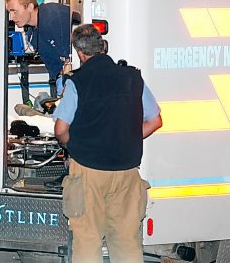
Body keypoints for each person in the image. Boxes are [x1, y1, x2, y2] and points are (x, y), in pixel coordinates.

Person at [52, 24, 162, 263]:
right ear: (102, 47)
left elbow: (61, 129)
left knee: (88, 241)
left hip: (89, 171)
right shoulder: (133, 77)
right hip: (127, 173)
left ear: (80, 54)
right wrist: (127, 137)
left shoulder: (77, 82)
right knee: (126, 242)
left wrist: (75, 143)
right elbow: (154, 121)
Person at [5, 0, 72, 97]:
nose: (11, 17)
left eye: (15, 12)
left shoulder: (54, 17)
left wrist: (67, 81)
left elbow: (71, 57)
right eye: (10, 12)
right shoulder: (33, 35)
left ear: (30, 7)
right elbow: (54, 66)